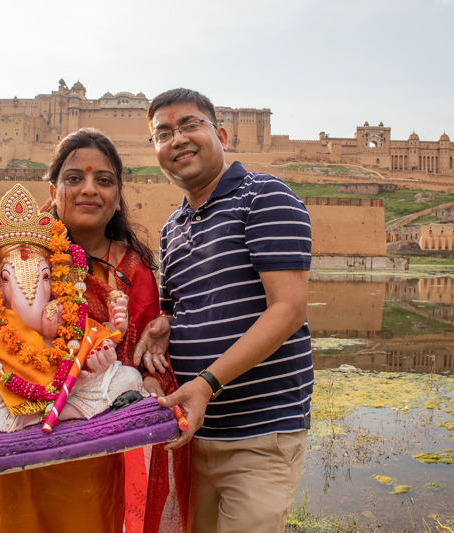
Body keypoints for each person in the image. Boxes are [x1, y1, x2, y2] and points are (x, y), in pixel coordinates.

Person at [0, 128, 189, 533]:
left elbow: (144, 356)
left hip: (85, 454)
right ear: (53, 189)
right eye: (74, 178)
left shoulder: (132, 273)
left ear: (118, 194)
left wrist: (152, 376)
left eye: (104, 180)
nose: (89, 189)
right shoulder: (7, 251)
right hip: (1, 457)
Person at [135, 89, 313, 533]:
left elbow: (287, 310)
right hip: (194, 436)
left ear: (221, 134)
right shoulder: (172, 230)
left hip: (260, 435)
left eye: (190, 125)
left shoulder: (265, 196)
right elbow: (183, 307)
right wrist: (164, 326)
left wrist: (207, 384)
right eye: (163, 133)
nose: (177, 139)